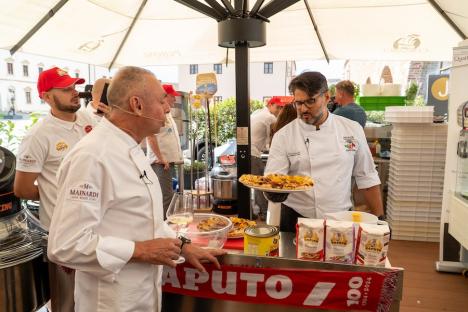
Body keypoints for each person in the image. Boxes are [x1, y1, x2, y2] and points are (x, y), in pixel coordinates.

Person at [47, 66, 225, 312]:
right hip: (110, 304)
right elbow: (65, 245)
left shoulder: (132, 148)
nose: (167, 108)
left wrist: (183, 246)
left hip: (142, 297)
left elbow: (146, 221)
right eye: (163, 100)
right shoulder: (92, 156)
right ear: (137, 105)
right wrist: (139, 250)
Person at [14, 66, 96, 312]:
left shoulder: (87, 120)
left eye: (74, 87)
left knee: (93, 299)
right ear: (47, 97)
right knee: (66, 303)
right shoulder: (38, 135)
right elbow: (22, 188)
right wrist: (56, 193)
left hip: (95, 225)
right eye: (66, 89)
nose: (75, 93)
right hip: (64, 233)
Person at [265, 72, 383, 232]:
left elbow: (367, 176)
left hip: (341, 219)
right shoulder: (284, 135)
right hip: (296, 218)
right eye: (298, 103)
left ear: (327, 97)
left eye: (310, 101)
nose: (303, 109)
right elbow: (274, 177)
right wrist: (274, 192)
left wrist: (380, 220)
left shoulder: (351, 129)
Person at [146, 84, 183, 217]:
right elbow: (150, 136)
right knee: (165, 197)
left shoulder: (167, 113)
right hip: (160, 162)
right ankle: (164, 229)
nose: (175, 100)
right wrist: (161, 158)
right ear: (165, 96)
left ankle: (166, 227)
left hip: (167, 162)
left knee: (168, 195)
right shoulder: (156, 112)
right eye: (173, 97)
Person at [250, 96, 285, 220]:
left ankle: (250, 212)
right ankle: (265, 213)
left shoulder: (257, 112)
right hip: (252, 153)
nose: (279, 110)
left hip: (245, 151)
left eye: (281, 107)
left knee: (248, 184)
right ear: (270, 105)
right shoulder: (270, 117)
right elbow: (274, 138)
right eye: (277, 107)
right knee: (260, 185)